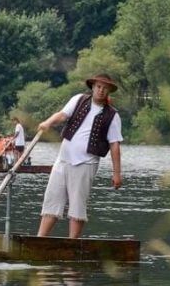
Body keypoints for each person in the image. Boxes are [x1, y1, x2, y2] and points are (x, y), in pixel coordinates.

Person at [36, 73, 123, 239]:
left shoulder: (112, 115)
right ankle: (40, 239)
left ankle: (72, 242)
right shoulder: (79, 100)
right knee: (52, 199)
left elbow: (114, 144)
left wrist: (117, 173)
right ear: (93, 87)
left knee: (77, 206)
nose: (101, 90)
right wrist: (48, 123)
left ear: (109, 91)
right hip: (63, 160)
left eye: (105, 88)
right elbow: (62, 115)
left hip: (86, 163)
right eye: (98, 86)